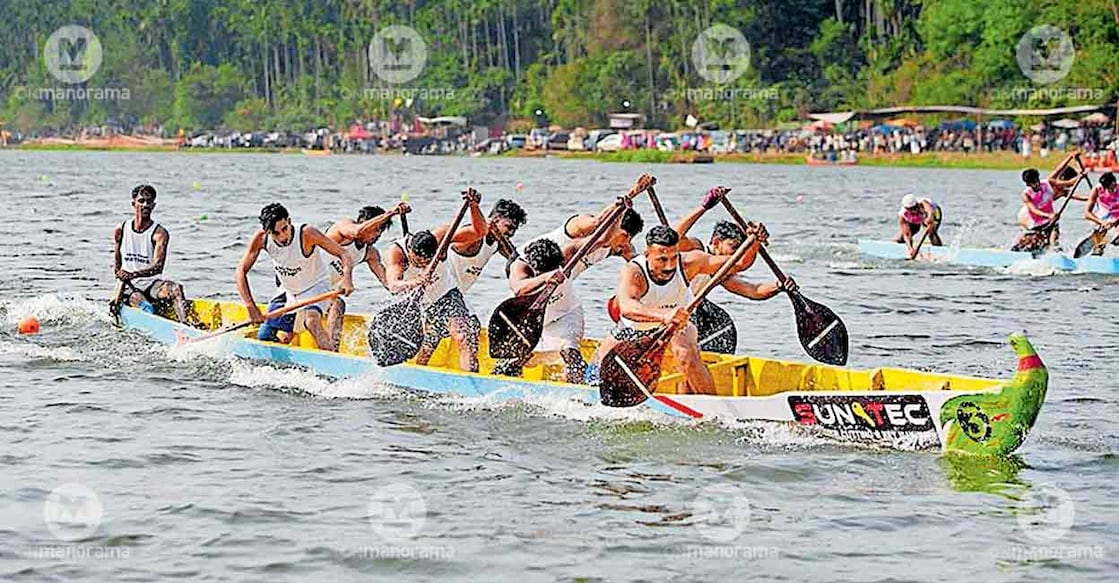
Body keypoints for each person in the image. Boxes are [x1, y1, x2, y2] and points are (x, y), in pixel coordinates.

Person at [591, 225, 765, 395]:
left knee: (685, 353)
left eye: (674, 258)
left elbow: (740, 263)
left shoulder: (690, 262)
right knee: (600, 367)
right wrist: (664, 315)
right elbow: (628, 307)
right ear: (647, 254)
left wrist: (754, 242)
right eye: (662, 260)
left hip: (677, 325)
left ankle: (714, 409)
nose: (669, 267)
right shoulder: (634, 271)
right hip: (636, 326)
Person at [383, 190, 482, 372]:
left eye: (428, 262)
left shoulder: (441, 237)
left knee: (464, 335)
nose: (423, 265)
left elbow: (479, 232)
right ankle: (418, 374)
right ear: (411, 250)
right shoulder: (397, 253)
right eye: (418, 262)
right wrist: (415, 282)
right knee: (427, 347)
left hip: (447, 295)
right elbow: (393, 285)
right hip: (419, 303)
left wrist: (474, 207)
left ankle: (472, 383)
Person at [235, 203, 354, 351]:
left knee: (311, 322)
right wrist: (250, 306)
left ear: (289, 221)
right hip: (288, 291)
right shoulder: (261, 239)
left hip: (316, 286)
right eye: (275, 233)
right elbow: (241, 270)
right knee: (264, 337)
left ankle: (333, 358)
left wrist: (347, 278)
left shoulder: (307, 233)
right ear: (267, 232)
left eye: (284, 229)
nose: (282, 237)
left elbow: (344, 254)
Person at [492, 238, 588, 383]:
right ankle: (502, 382)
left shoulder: (567, 253)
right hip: (529, 318)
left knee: (570, 353)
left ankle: (579, 391)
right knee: (511, 362)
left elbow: (600, 239)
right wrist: (545, 278)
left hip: (565, 314)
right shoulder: (520, 266)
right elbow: (519, 289)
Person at [674, 187, 796, 300]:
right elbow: (674, 236)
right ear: (716, 242)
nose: (737, 253)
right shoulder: (695, 248)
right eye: (735, 247)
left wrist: (779, 286)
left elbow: (753, 290)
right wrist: (704, 206)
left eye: (741, 249)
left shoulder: (723, 272)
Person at [111, 184, 188, 322]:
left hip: (151, 284)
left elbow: (158, 267)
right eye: (141, 201)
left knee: (176, 289)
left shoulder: (160, 233)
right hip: (130, 286)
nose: (145, 205)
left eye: (149, 202)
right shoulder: (121, 230)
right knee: (146, 307)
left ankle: (186, 325)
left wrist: (135, 274)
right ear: (133, 203)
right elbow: (117, 268)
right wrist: (119, 291)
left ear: (153, 206)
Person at [324, 202, 410, 290]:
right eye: (376, 229)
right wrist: (391, 213)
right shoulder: (342, 227)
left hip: (323, 290)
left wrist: (411, 282)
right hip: (310, 278)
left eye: (381, 231)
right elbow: (357, 231)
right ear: (362, 222)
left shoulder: (370, 254)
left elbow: (390, 285)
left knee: (339, 303)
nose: (378, 234)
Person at [448, 198, 527, 292]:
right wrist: (474, 205)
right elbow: (451, 240)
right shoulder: (474, 236)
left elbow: (515, 259)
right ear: (496, 219)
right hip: (441, 288)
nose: (511, 233)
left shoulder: (498, 242)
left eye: (515, 230)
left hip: (457, 292)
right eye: (509, 227)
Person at [1016, 154, 1086, 248]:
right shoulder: (1027, 194)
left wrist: (1070, 157)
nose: (1037, 185)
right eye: (1033, 183)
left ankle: (1055, 248)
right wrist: (1049, 215)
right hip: (1028, 216)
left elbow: (1062, 172)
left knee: (1053, 230)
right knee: (1040, 237)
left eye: (1037, 181)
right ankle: (1020, 245)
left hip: (1046, 216)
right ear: (1028, 184)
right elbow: (1033, 210)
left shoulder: (1047, 184)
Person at [1083, 172, 1119, 254]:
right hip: (1103, 217)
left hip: (1117, 216)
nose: (1107, 190)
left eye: (1110, 187)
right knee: (1099, 248)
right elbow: (1087, 213)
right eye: (1105, 187)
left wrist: (1116, 220)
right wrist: (1102, 222)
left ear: (1114, 183)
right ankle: (1098, 248)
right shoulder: (1097, 189)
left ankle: (1114, 240)